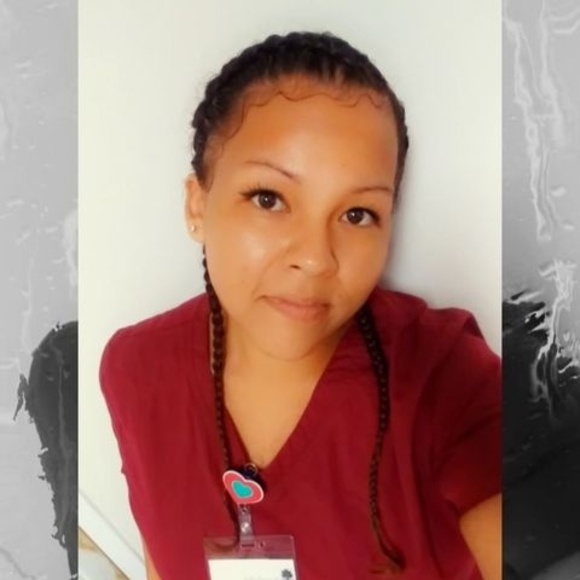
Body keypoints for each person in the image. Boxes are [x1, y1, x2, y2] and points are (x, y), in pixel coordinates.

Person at [100, 31, 501, 579]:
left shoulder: (446, 382)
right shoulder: (136, 371)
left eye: (357, 214)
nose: (315, 259)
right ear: (197, 205)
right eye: (269, 198)